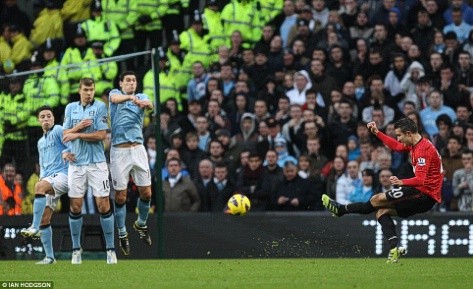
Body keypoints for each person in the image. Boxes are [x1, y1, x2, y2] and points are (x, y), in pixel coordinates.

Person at [322, 118, 443, 263]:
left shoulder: (423, 150)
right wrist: (377, 133)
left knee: (377, 199)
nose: (398, 138)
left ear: (409, 133)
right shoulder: (416, 144)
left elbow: (421, 179)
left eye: (399, 135)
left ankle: (341, 209)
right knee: (381, 211)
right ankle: (395, 246)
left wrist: (401, 182)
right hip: (423, 195)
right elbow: (397, 146)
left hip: (423, 194)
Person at [62, 77, 116, 264]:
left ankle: (110, 250)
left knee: (103, 205)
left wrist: (76, 134)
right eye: (86, 90)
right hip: (76, 164)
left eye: (91, 90)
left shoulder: (100, 107)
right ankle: (76, 250)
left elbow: (101, 135)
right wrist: (76, 130)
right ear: (80, 90)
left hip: (97, 164)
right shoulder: (70, 108)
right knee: (75, 206)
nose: (89, 93)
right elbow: (64, 134)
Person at [108, 71, 154, 256]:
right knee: (120, 196)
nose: (131, 83)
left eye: (134, 80)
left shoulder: (142, 97)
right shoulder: (115, 94)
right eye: (128, 80)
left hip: (138, 149)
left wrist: (144, 103)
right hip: (119, 151)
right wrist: (130, 98)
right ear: (121, 83)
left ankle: (141, 223)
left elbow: (150, 104)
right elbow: (115, 98)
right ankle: (122, 233)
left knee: (147, 192)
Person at [20, 106, 71, 265]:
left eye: (49, 116)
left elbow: (72, 142)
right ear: (38, 120)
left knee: (39, 187)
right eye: (42, 117)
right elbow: (42, 164)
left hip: (65, 175)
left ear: (53, 118)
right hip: (49, 178)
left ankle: (33, 228)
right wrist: (42, 177)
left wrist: (67, 151)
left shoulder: (58, 130)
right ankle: (50, 257)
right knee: (44, 219)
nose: (46, 119)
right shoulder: (40, 142)